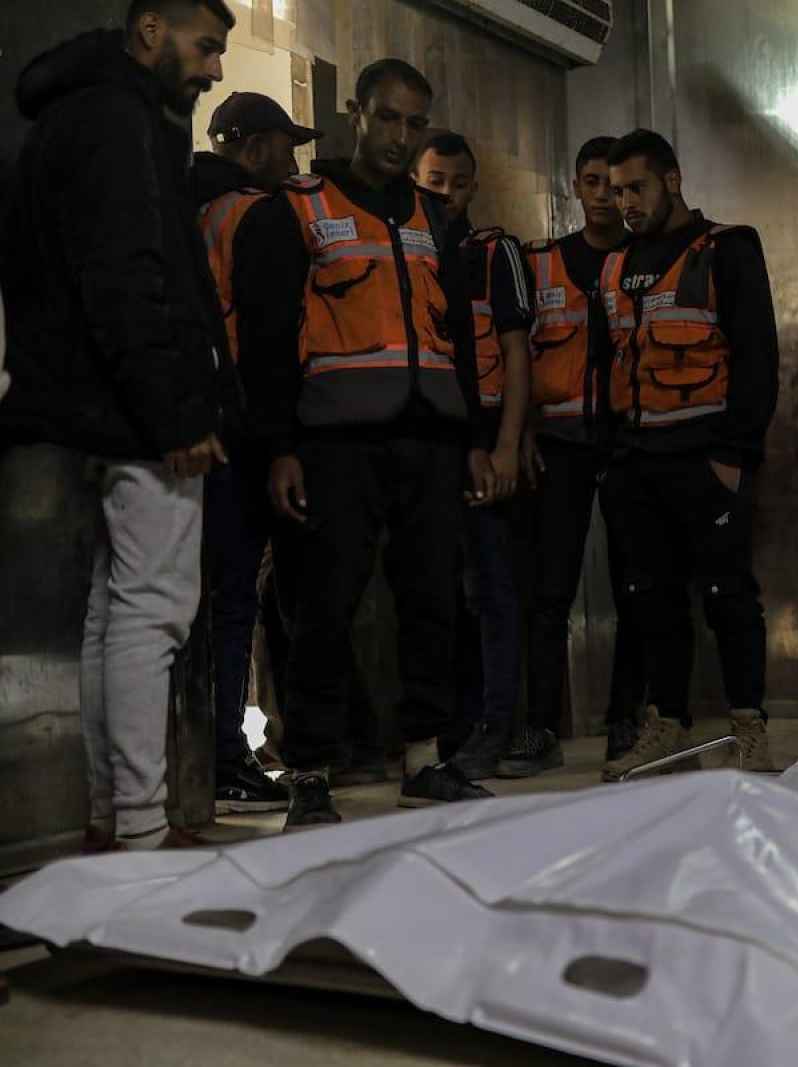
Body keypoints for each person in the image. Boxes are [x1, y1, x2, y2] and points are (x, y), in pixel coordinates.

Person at [235, 58, 507, 827]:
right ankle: (310, 770)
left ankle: (424, 759)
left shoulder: (434, 218)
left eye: (415, 122)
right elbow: (265, 343)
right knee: (323, 607)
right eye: (387, 117)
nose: (400, 135)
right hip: (334, 442)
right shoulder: (296, 209)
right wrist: (280, 447)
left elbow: (459, 337)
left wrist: (474, 440)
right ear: (355, 113)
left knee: (432, 601)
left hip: (430, 440)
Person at [0, 0, 238, 849]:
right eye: (205, 48)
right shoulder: (118, 121)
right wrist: (178, 410)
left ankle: (115, 817)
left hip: (80, 402)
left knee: (113, 614)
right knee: (153, 613)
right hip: (134, 411)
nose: (213, 69)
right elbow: (131, 274)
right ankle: (140, 828)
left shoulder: (66, 115)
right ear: (150, 32)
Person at [596, 129, 779, 781]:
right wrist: (614, 461)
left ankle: (750, 729)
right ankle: (667, 725)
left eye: (636, 188)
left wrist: (734, 456)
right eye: (617, 191)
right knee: (652, 599)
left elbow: (757, 356)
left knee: (729, 595)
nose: (625, 202)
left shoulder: (726, 248)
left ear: (672, 181)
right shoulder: (616, 265)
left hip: (706, 458)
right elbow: (607, 365)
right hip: (637, 462)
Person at [193, 91, 321, 815]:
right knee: (239, 598)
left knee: (203, 599)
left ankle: (204, 756)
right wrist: (282, 444)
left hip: (197, 426)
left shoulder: (191, 207)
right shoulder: (258, 214)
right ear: (254, 147)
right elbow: (271, 342)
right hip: (246, 433)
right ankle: (227, 756)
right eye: (286, 145)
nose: (294, 161)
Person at [409, 131, 538, 779]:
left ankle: (498, 723)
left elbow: (517, 352)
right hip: (428, 444)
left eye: (459, 183)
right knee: (436, 591)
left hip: (486, 437)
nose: (447, 194)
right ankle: (450, 728)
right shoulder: (406, 251)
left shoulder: (495, 252)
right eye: (435, 182)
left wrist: (508, 444)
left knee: (493, 587)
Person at [523, 135, 647, 766]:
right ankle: (539, 727)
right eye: (592, 183)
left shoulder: (647, 263)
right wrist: (520, 435)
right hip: (559, 445)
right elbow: (515, 359)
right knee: (549, 591)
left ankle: (628, 719)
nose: (603, 196)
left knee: (636, 587)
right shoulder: (540, 263)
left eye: (614, 186)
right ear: (575, 187)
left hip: (630, 444)